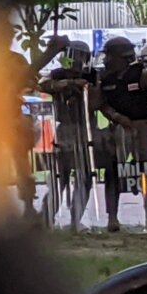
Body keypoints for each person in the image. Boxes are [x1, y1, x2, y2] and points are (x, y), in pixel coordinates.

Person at [93, 36, 147, 233]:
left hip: (144, 127)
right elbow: (101, 103)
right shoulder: (104, 79)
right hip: (118, 128)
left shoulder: (143, 75)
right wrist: (116, 116)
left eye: (110, 55)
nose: (106, 59)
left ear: (123, 57)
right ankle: (112, 217)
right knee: (113, 171)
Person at [37, 38, 97, 229]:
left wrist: (86, 87)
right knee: (59, 177)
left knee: (84, 177)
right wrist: (68, 83)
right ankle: (47, 217)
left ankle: (76, 219)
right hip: (65, 129)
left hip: (85, 129)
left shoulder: (92, 75)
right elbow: (43, 84)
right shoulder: (58, 74)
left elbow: (98, 97)